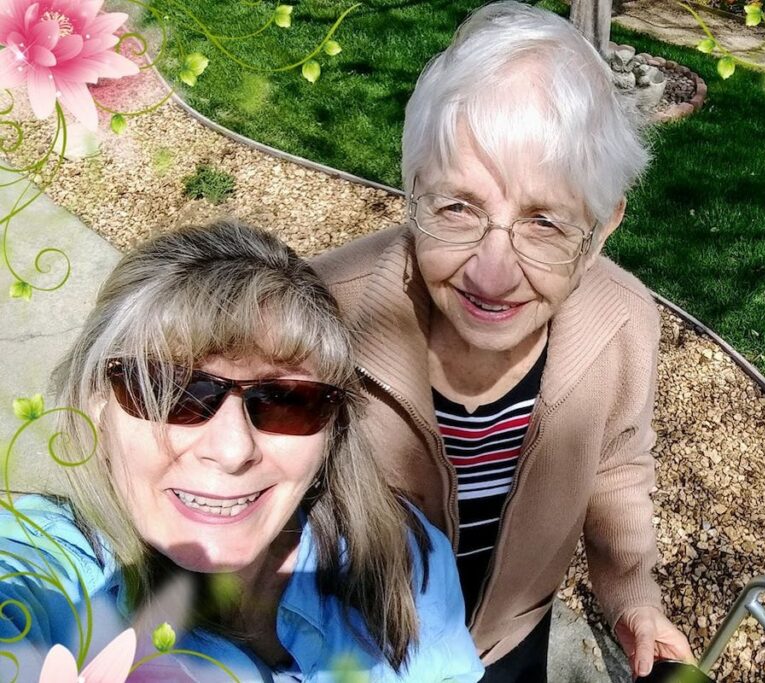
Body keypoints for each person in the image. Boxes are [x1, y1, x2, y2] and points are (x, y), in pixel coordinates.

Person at [311, 2, 693, 680]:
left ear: (604, 226)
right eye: (457, 207)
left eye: (545, 222)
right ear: (411, 188)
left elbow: (615, 466)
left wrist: (633, 595)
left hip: (508, 634)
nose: (493, 272)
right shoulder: (324, 312)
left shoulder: (623, 322)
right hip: (352, 640)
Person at [0, 220, 483, 682]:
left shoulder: (402, 554)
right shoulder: (54, 569)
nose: (232, 450)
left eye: (286, 400)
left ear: (333, 425)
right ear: (97, 405)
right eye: (174, 392)